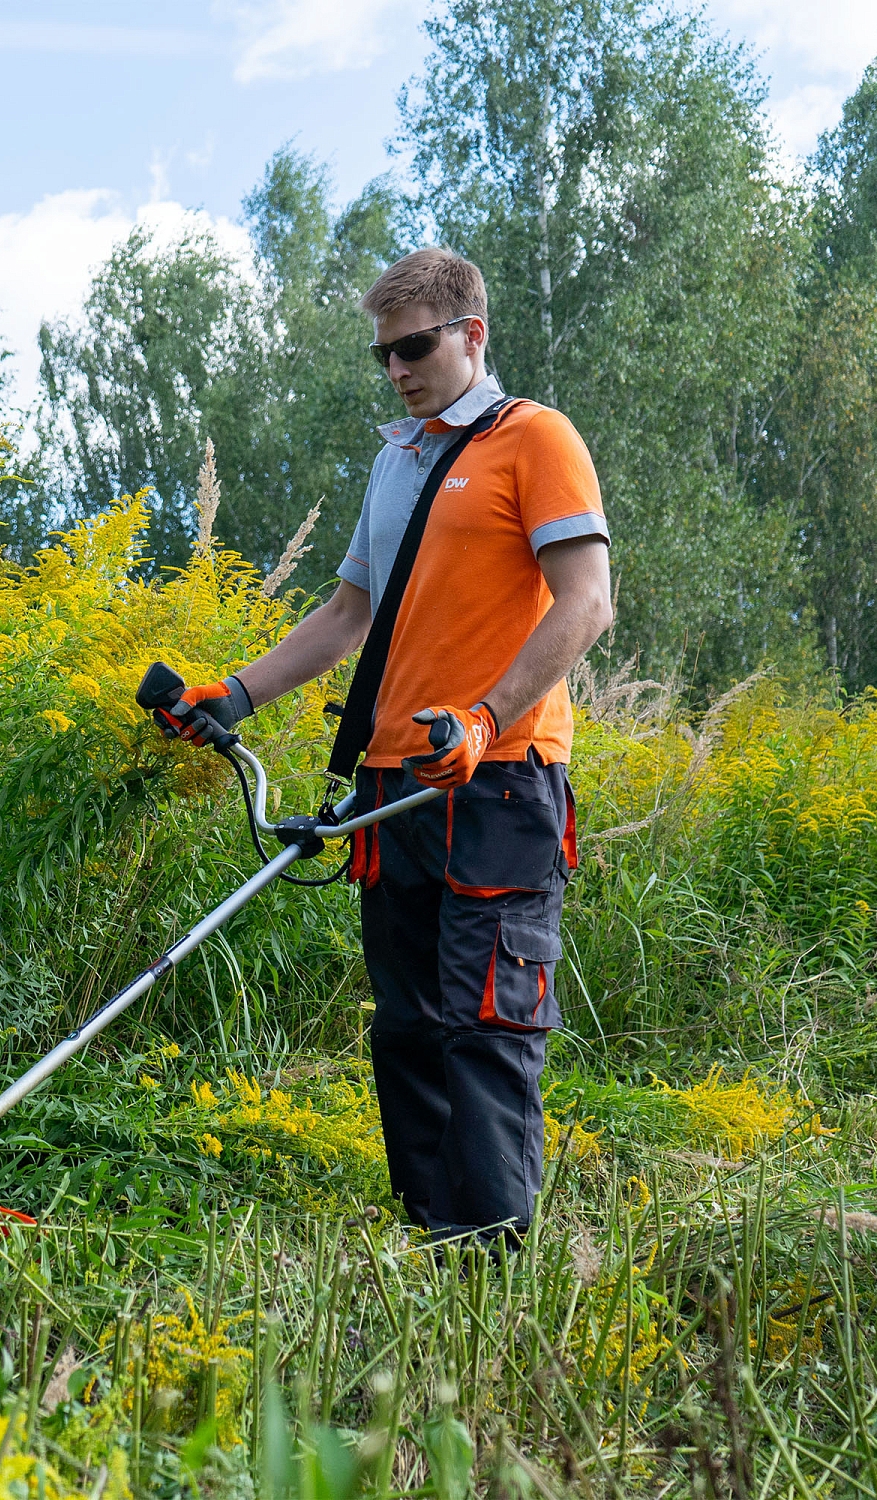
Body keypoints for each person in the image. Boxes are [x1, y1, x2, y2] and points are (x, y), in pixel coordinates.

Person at [160, 248, 613, 1242]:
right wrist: (231, 697)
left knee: (482, 1029)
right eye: (385, 355)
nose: (399, 368)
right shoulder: (396, 461)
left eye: (416, 347)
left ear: (472, 335)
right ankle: (433, 1239)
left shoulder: (535, 440)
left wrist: (488, 715)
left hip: (496, 784)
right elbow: (348, 614)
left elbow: (586, 604)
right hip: (390, 788)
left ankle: (490, 1268)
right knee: (407, 1030)